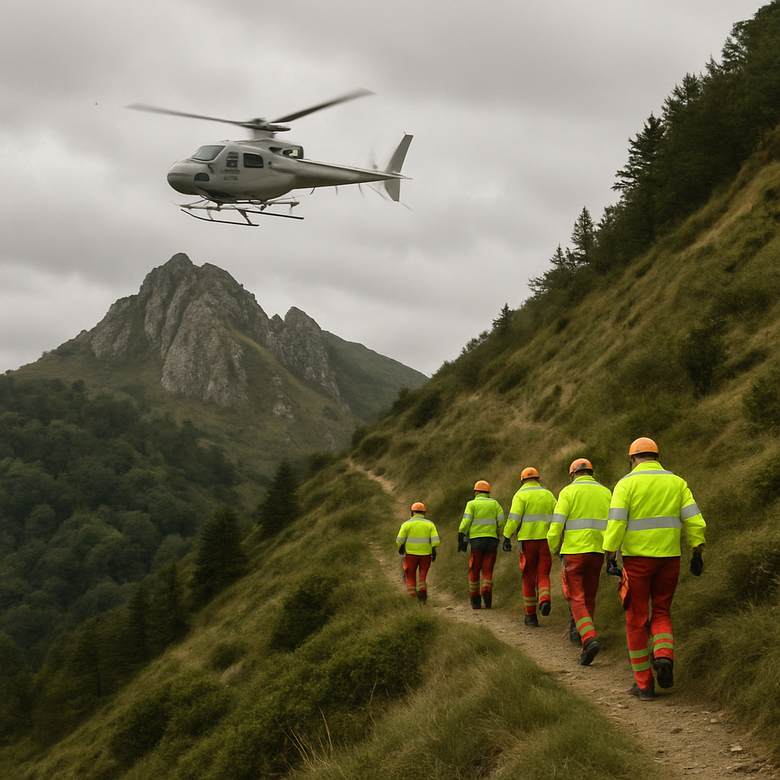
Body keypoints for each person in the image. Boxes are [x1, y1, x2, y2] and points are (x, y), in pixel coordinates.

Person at [603, 437, 706, 700]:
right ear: (658, 457)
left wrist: (610, 555)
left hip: (637, 561)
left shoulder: (626, 484)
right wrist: (697, 552)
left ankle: (644, 685)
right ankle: (663, 656)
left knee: (636, 619)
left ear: (632, 459)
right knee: (661, 612)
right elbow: (695, 521)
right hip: (670, 559)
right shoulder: (677, 482)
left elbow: (616, 523)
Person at [548, 458, 611, 665]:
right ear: (591, 473)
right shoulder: (605, 492)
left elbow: (557, 525)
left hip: (574, 552)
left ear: (572, 474)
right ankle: (586, 643)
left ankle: (589, 637)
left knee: (576, 598)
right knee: (590, 597)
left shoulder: (568, 492)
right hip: (598, 552)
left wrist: (552, 547)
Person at [502, 467, 557, 626]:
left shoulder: (520, 495)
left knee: (528, 577)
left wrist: (507, 536)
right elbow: (558, 516)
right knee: (544, 575)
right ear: (538, 480)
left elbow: (513, 519)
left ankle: (531, 616)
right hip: (546, 541)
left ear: (522, 481)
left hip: (527, 542)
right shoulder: (548, 494)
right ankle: (544, 599)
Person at [458, 480, 505, 609]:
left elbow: (466, 521)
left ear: (476, 492)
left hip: (476, 542)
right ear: (488, 492)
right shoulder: (495, 503)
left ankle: (475, 600)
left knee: (474, 570)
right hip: (491, 541)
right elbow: (501, 521)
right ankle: (486, 591)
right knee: (487, 570)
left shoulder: (471, 504)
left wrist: (461, 535)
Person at [396, 502, 440, 603]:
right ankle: (422, 594)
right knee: (422, 575)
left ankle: (412, 599)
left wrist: (401, 547)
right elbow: (436, 541)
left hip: (410, 555)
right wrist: (433, 549)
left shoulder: (406, 525)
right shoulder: (430, 524)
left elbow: (399, 540)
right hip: (426, 556)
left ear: (412, 512)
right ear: (424, 513)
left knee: (410, 576)